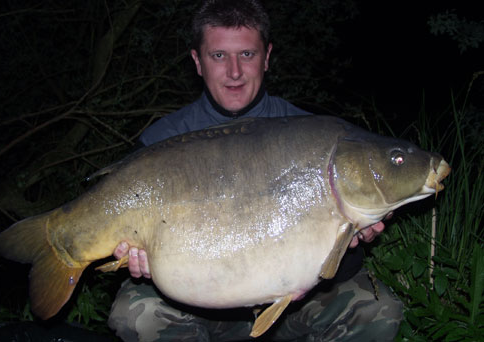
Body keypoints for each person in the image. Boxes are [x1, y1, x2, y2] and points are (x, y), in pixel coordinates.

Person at [108, 1, 403, 341]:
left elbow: (342, 268)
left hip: (292, 309)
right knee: (137, 314)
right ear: (197, 61)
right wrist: (136, 258)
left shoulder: (311, 135)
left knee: (376, 310)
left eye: (246, 54)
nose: (234, 71)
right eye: (219, 55)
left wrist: (353, 237)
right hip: (200, 306)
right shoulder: (162, 141)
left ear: (266, 57)